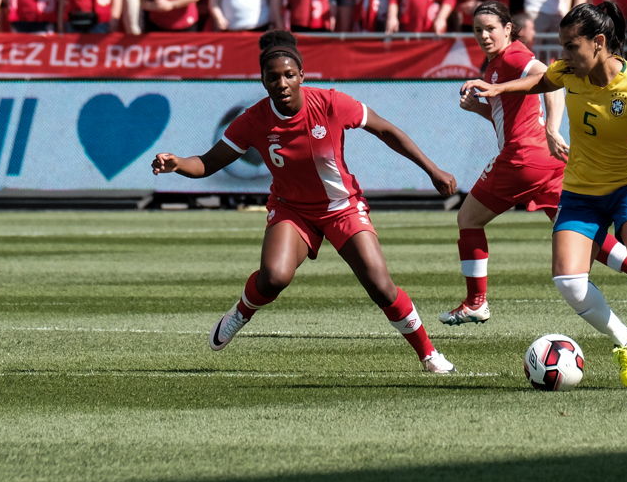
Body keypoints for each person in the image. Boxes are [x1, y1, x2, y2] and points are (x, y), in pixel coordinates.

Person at [461, 2, 627, 390]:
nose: (563, 57)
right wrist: (497, 88)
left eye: (571, 47)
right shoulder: (570, 72)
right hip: (579, 192)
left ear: (599, 43)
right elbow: (538, 83)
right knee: (569, 282)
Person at [151, 30, 458, 374]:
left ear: (301, 76)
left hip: (342, 207)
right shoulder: (253, 120)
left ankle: (430, 355)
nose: (281, 83)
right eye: (273, 77)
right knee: (274, 278)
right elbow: (208, 163)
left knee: (380, 285)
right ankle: (240, 313)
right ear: (263, 82)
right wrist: (178, 163)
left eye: (288, 75)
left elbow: (386, 131)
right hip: (292, 209)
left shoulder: (330, 103)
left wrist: (432, 169)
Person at [444, 1, 627, 325]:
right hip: (545, 160)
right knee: (582, 234)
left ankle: (475, 302)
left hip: (521, 159)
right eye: (477, 30)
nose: (484, 36)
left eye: (491, 29)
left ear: (508, 29)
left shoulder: (514, 56)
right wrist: (478, 109)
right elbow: (508, 119)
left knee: (468, 219)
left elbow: (545, 74)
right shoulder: (496, 65)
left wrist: (553, 128)